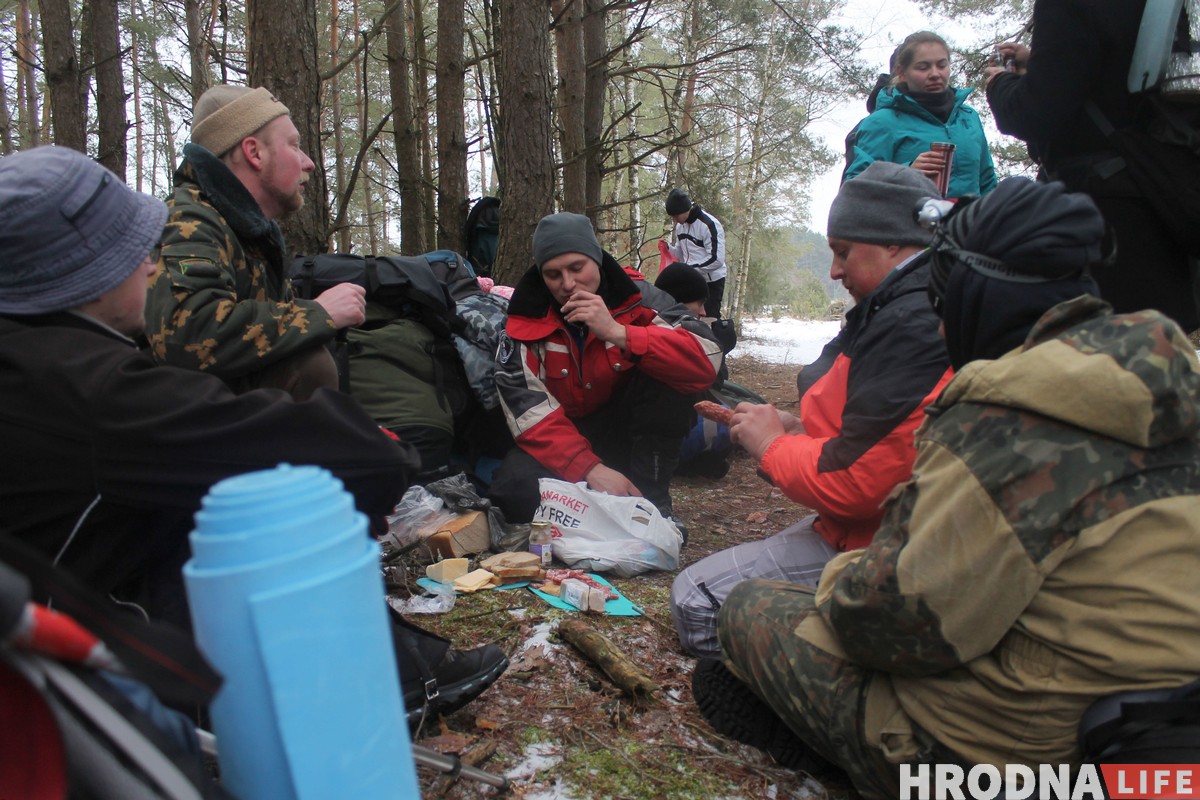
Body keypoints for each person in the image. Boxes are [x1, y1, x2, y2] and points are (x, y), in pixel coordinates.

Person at [697, 176, 1200, 796]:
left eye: (946, 300)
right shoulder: (1168, 389)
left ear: (981, 296)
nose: (940, 327)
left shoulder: (1006, 418)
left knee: (747, 607)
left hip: (1018, 759)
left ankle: (858, 763)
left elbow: (891, 623)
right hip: (1151, 738)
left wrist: (842, 573)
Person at [0, 146, 505, 723]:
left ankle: (397, 663)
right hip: (63, 674)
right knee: (256, 511)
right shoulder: (83, 388)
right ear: (85, 275)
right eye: (133, 251)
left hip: (57, 612)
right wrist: (374, 455)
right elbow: (310, 447)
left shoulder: (34, 356)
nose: (150, 267)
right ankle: (382, 682)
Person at [670, 163, 954, 658]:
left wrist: (772, 445)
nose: (834, 272)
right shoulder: (898, 308)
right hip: (875, 528)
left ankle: (827, 689)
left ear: (894, 243)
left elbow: (857, 484)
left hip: (897, 546)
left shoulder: (915, 324)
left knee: (697, 600)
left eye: (843, 252)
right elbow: (885, 439)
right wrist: (798, 431)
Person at [489, 212, 722, 524]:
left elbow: (706, 361)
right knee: (514, 493)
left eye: (577, 268)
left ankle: (653, 503)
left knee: (669, 373)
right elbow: (528, 412)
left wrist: (617, 332)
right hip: (565, 435)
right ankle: (596, 508)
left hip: (630, 432)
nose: (568, 284)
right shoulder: (523, 320)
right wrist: (590, 469)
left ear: (596, 260)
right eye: (553, 274)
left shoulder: (642, 299)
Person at [144, 85, 368, 400]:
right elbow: (188, 333)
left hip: (219, 412)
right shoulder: (188, 221)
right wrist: (318, 313)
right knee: (308, 366)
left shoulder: (246, 232)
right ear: (254, 153)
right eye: (294, 146)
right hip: (176, 419)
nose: (308, 163)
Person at [985, 4, 1199, 333]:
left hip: (1102, 220)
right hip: (1170, 198)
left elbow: (1036, 112)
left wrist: (1000, 84)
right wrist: (1042, 62)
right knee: (1163, 351)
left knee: (1103, 355)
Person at [844, 31, 997, 199]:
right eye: (923, 67)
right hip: (910, 215)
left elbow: (987, 181)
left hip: (973, 215)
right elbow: (855, 189)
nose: (935, 74)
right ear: (902, 72)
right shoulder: (881, 122)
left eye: (942, 65)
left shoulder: (968, 117)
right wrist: (906, 173)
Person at [664, 189, 727, 318]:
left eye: (676, 216)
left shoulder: (709, 224)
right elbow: (681, 254)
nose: (675, 220)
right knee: (688, 318)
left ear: (684, 210)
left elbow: (716, 259)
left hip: (711, 282)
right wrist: (668, 249)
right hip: (691, 281)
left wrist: (689, 269)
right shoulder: (680, 226)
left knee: (708, 319)